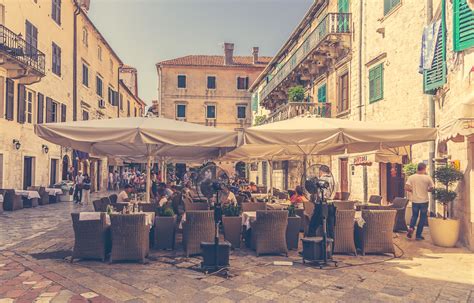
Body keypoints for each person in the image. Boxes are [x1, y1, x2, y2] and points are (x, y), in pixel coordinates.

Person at [405, 162, 434, 240]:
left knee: (414, 216)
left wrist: (413, 190)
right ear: (424, 169)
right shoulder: (427, 178)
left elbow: (406, 187)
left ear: (417, 168)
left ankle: (411, 228)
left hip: (415, 200)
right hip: (424, 201)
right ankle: (418, 236)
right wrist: (427, 189)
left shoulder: (411, 177)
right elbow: (432, 188)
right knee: (422, 218)